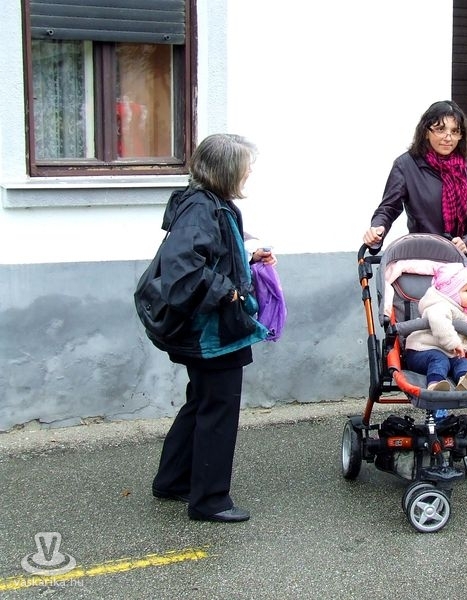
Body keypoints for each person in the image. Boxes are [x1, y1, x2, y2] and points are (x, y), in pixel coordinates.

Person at [150, 133, 276, 522]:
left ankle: (173, 480)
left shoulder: (207, 203)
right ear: (225, 170)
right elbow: (182, 269)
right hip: (211, 333)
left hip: (207, 329)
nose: (248, 172)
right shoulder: (202, 209)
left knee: (201, 402)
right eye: (244, 166)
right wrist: (228, 292)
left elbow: (210, 255)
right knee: (218, 409)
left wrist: (247, 258)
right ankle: (210, 501)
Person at [363, 100, 467, 273]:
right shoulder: (406, 165)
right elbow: (388, 208)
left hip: (463, 261)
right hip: (424, 260)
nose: (448, 137)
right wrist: (378, 229)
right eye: (440, 129)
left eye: (455, 131)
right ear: (425, 132)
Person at [404, 262, 467, 394]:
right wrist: (454, 343)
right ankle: (434, 385)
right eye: (466, 290)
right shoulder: (439, 306)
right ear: (451, 293)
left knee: (462, 362)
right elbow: (439, 321)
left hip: (448, 353)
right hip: (421, 350)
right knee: (439, 360)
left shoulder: (460, 308)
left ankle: (464, 380)